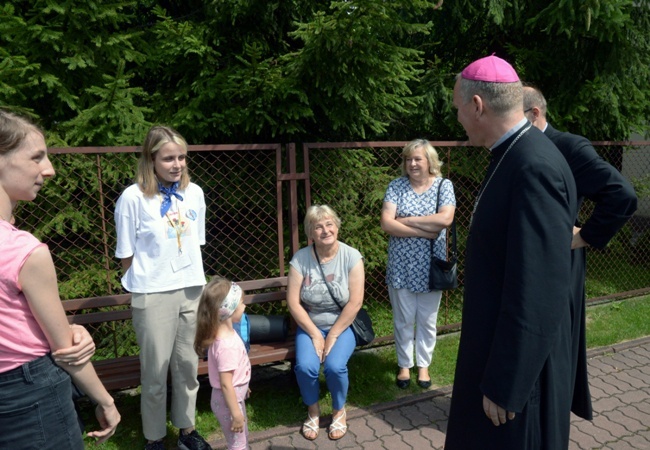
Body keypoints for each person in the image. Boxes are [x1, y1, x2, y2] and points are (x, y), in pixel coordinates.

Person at [444, 55, 578, 449]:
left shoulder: (532, 165)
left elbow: (538, 289)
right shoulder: (514, 154)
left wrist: (507, 382)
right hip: (497, 348)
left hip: (518, 374)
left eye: (458, 110)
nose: (458, 120)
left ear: (478, 105)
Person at [0, 110, 121, 449]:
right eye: (36, 157)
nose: (49, 170)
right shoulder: (23, 251)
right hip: (29, 396)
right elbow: (65, 349)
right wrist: (105, 400)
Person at [523, 85, 638, 421]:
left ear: (534, 114)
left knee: (554, 345)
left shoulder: (569, 146)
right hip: (534, 263)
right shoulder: (523, 148)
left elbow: (622, 195)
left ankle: (549, 412)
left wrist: (584, 235)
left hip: (560, 263)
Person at [114, 125, 211, 450]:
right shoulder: (133, 198)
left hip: (190, 290)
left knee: (186, 366)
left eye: (182, 157)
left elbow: (194, 243)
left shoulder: (194, 192)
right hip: (152, 294)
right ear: (150, 159)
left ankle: (187, 429)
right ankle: (154, 437)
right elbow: (126, 253)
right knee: (155, 372)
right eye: (169, 158)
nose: (177, 164)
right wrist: (145, 284)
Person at [380, 139, 456, 389]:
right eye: (408, 159)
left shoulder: (443, 186)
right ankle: (404, 365)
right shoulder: (396, 186)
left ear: (429, 161)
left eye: (417, 159)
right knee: (403, 318)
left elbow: (445, 219)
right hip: (401, 266)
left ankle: (423, 365)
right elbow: (387, 223)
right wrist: (425, 230)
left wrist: (408, 220)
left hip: (431, 267)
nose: (412, 163)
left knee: (427, 319)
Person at [287, 204, 365, 442]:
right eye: (318, 226)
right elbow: (293, 302)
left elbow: (355, 302)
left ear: (337, 227)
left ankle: (339, 411)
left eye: (329, 224)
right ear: (311, 233)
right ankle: (313, 412)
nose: (325, 230)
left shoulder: (351, 256)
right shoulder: (300, 259)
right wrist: (315, 334)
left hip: (343, 325)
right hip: (311, 325)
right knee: (306, 367)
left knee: (335, 366)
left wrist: (331, 335)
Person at [194, 278, 251, 450]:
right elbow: (226, 384)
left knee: (241, 438)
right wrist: (235, 414)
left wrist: (244, 385)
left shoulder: (225, 334)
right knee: (237, 443)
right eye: (241, 303)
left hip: (234, 398)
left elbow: (232, 377)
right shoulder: (227, 346)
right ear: (229, 310)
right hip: (228, 403)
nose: (245, 307)